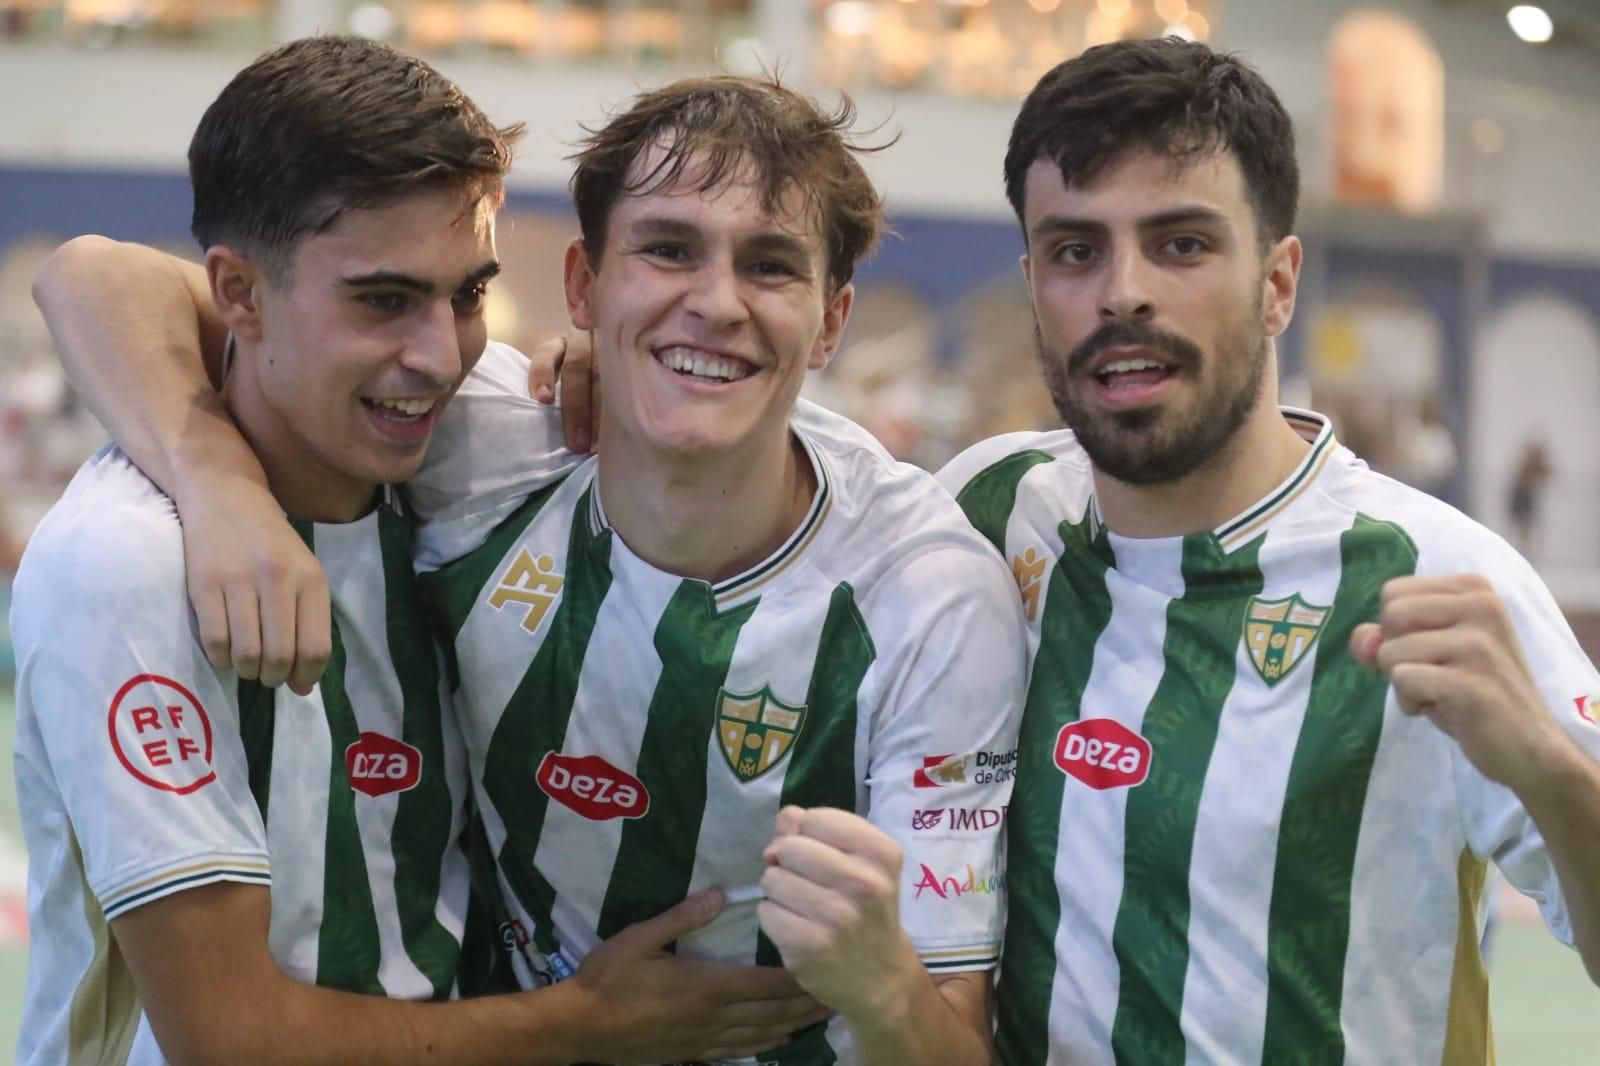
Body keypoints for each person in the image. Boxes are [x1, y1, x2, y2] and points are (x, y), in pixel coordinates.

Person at [33, 74, 1026, 1065]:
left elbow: (950, 1036)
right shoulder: (469, 442)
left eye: (768, 265)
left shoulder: (925, 591)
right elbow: (95, 274)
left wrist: (884, 986)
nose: (715, 302)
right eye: (669, 249)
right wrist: (215, 480)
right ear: (586, 288)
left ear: (833, 320)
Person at [932, 37, 1600, 1062]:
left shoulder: (1432, 575)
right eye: (1075, 250)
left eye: (1182, 244)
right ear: (1032, 284)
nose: (1122, 294)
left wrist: (1553, 775)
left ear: (1277, 283)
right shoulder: (989, 506)